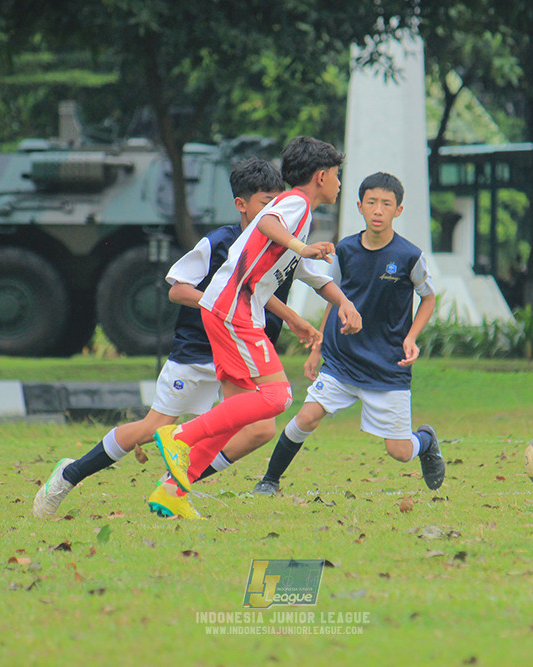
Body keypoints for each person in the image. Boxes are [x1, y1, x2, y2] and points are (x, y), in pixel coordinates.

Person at [32, 158, 326, 519]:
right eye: (267, 202)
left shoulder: (277, 245)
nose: (276, 209)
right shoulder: (221, 241)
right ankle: (69, 474)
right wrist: (217, 305)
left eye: (278, 202)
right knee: (154, 428)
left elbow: (258, 292)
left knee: (260, 429)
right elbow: (177, 289)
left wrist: (295, 319)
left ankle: (175, 487)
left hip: (238, 348)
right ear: (242, 204)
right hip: (197, 351)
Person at [153, 136, 362, 512]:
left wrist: (344, 303)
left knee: (238, 420)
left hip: (228, 308)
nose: (339, 183)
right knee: (278, 397)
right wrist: (302, 247)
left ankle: (172, 492)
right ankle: (180, 436)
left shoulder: (299, 211)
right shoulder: (294, 203)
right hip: (236, 311)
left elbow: (313, 274)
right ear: (320, 176)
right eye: (336, 174)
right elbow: (267, 223)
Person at [252, 172, 444, 495]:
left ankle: (425, 442)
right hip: (343, 360)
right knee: (307, 417)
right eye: (371, 202)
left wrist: (411, 338)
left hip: (388, 365)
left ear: (398, 210)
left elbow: (428, 297)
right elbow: (334, 297)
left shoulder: (409, 256)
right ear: (359, 206)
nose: (378, 210)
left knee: (398, 452)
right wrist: (318, 349)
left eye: (386, 204)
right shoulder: (346, 250)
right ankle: (269, 480)